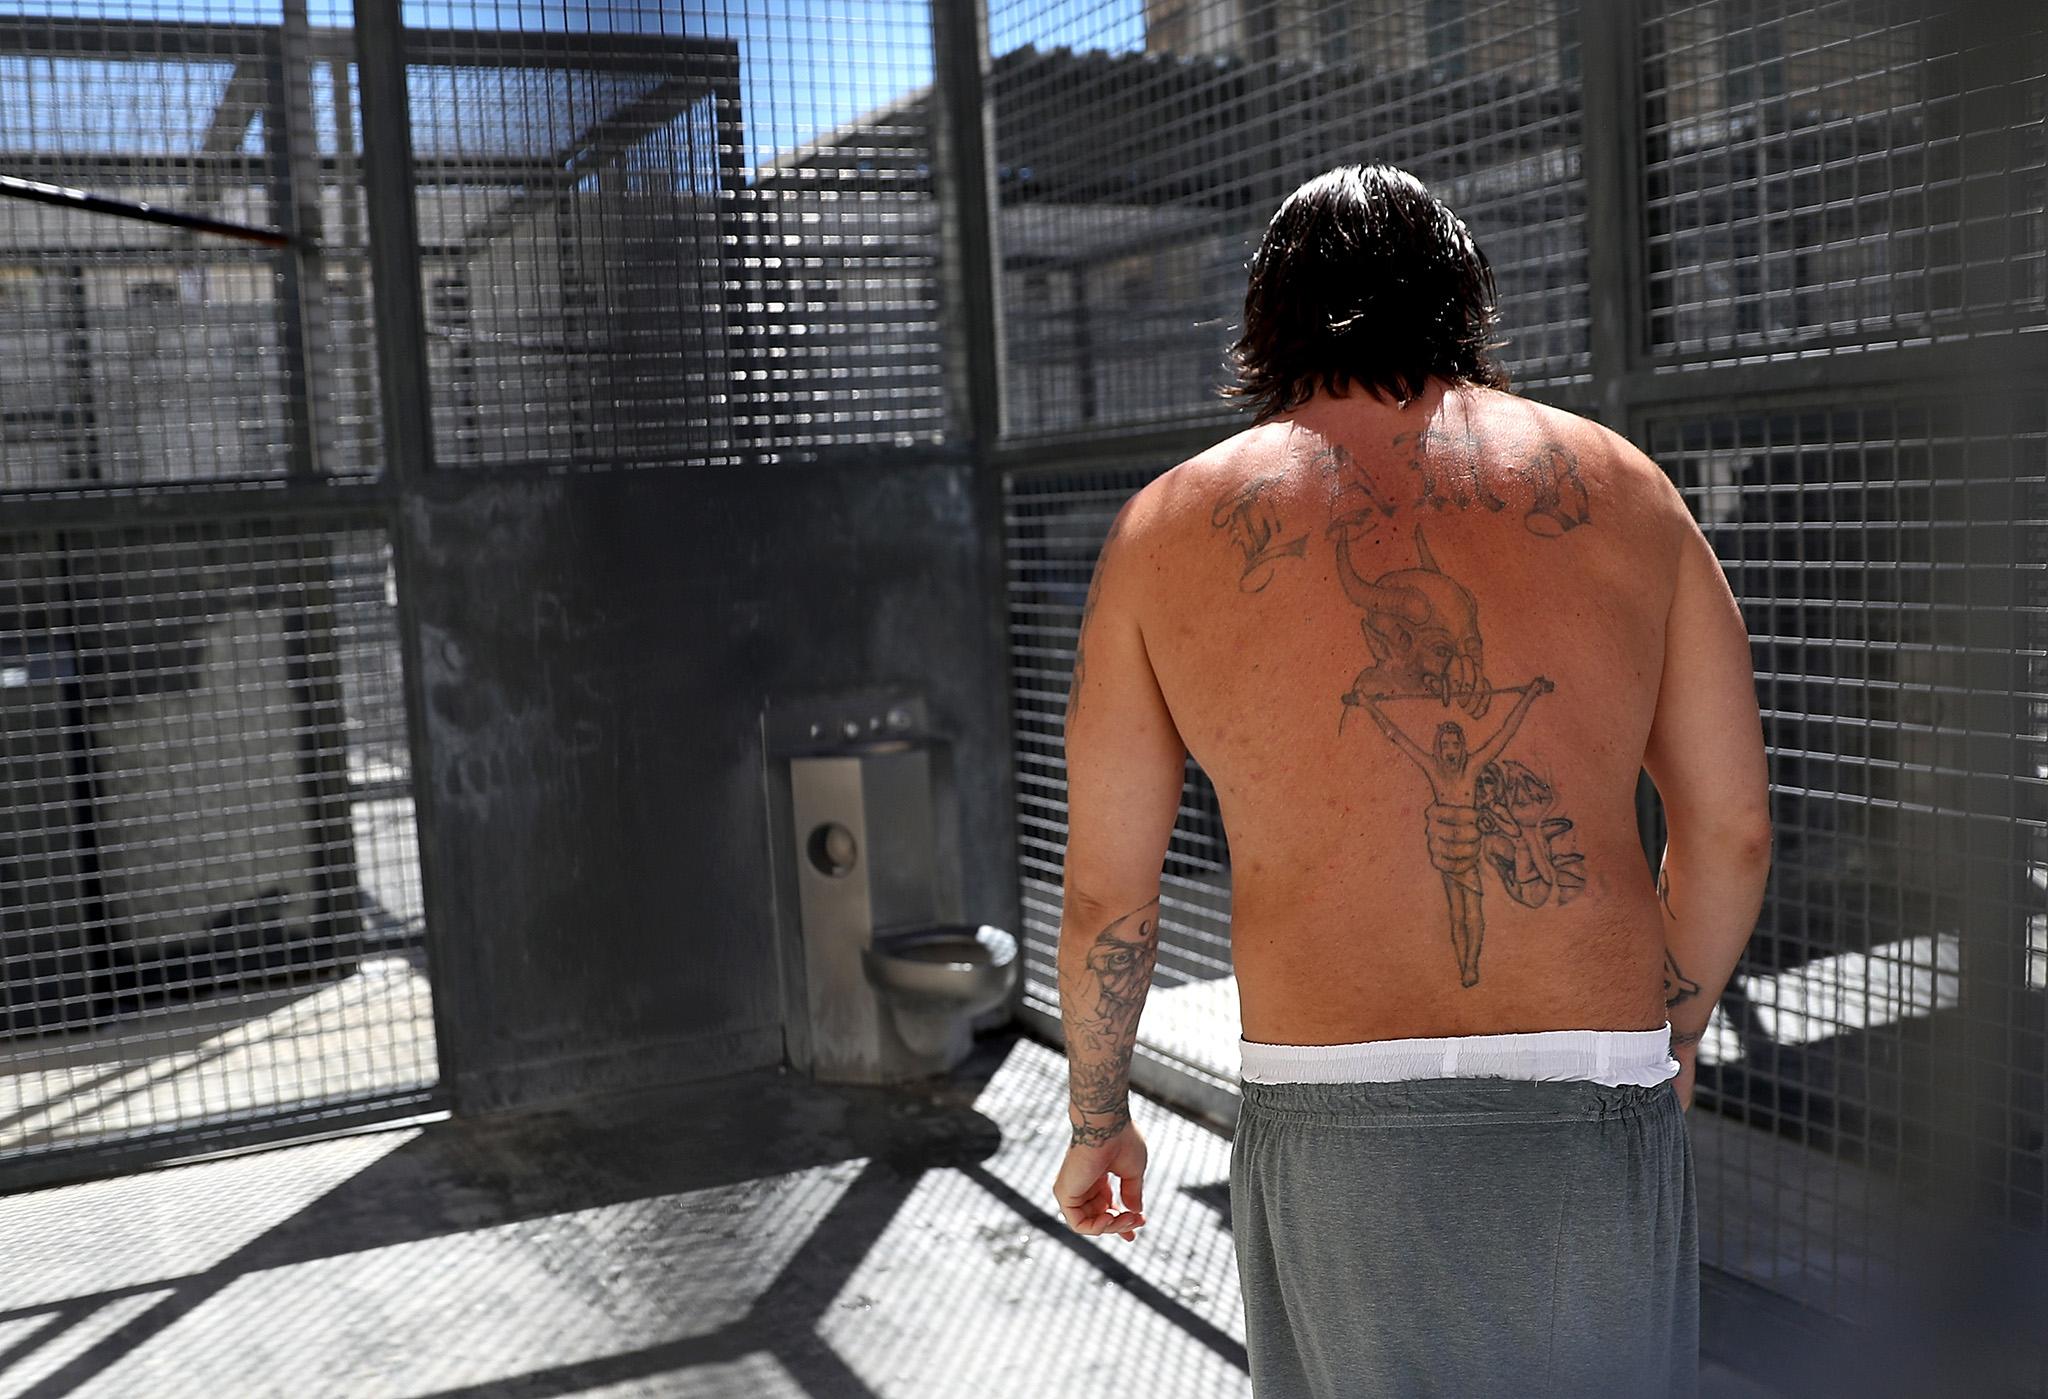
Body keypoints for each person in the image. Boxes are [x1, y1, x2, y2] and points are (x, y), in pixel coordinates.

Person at [1049, 164, 1772, 1397]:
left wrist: (1095, 1117)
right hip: (1590, 1077)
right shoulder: (1626, 489)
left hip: (1327, 1101)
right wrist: (1680, 1023)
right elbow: (1731, 830)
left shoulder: (1164, 532)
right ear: (1463, 302)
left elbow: (1104, 893)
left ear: (1263, 321)